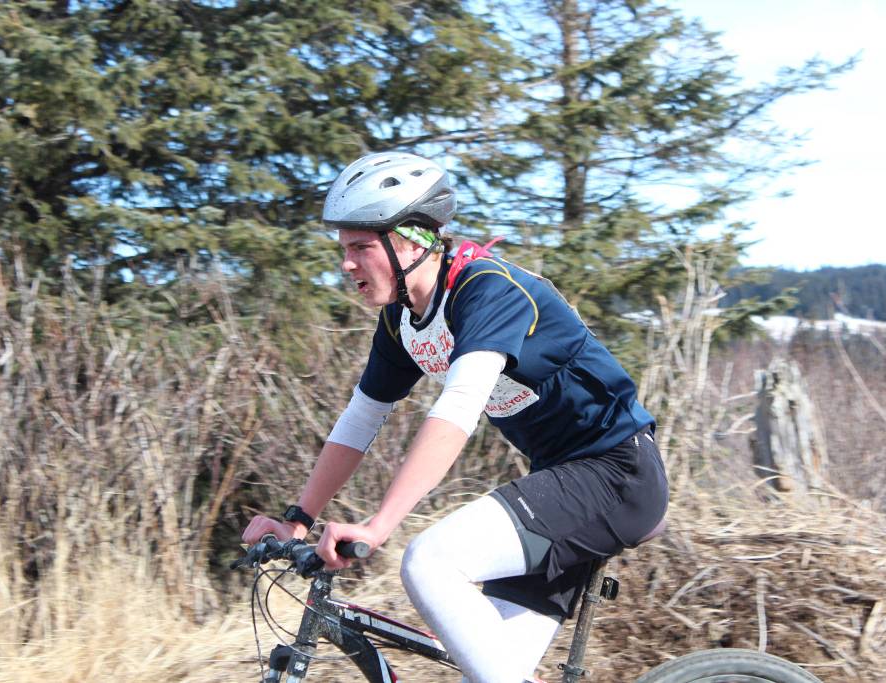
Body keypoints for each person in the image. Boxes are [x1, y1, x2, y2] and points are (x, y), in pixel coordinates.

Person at [241, 151, 669, 683]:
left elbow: (457, 411)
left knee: (430, 562)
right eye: (343, 249)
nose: (346, 265)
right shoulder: (402, 320)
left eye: (360, 248)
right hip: (561, 486)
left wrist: (380, 526)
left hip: (615, 476)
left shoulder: (486, 290)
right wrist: (298, 519)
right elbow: (358, 423)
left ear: (413, 241)